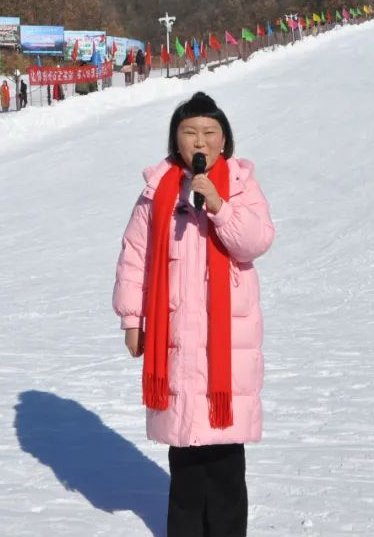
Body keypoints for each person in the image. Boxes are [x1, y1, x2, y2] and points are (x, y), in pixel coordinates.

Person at [112, 91, 275, 537]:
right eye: (190, 133)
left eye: (209, 133)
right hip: (177, 339)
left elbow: (255, 241)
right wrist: (132, 319)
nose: (199, 142)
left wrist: (219, 206)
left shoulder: (240, 184)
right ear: (176, 141)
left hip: (228, 343)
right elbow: (135, 256)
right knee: (184, 456)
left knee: (224, 462)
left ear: (224, 141)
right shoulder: (157, 189)